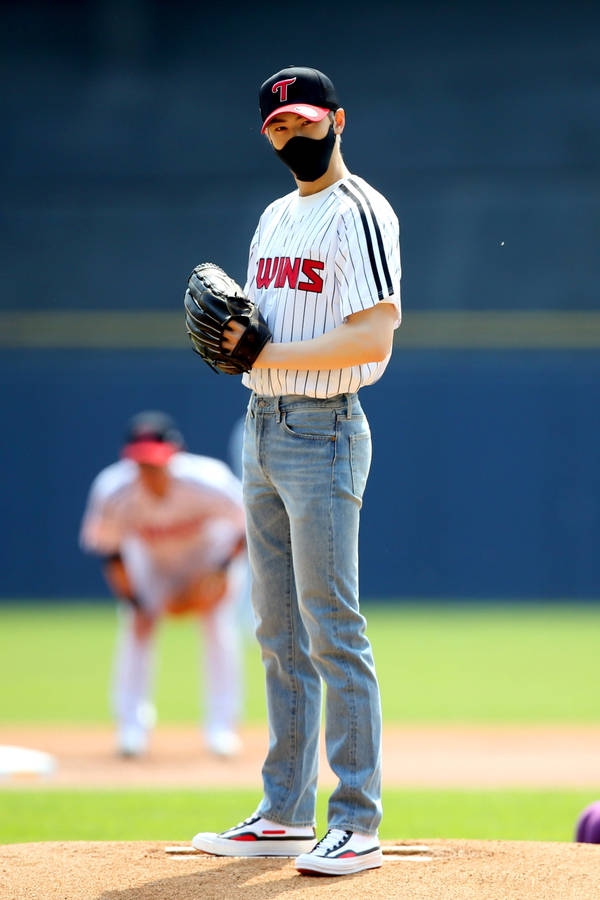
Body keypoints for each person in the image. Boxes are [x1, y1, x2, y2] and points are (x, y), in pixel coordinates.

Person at [192, 66, 401, 876]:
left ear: (339, 120)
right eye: (281, 127)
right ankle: (283, 810)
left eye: (308, 122)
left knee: (331, 629)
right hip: (262, 426)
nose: (296, 136)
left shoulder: (361, 211)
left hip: (324, 428)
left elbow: (374, 339)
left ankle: (356, 819)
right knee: (277, 632)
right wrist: (241, 343)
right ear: (267, 135)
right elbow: (256, 328)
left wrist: (267, 350)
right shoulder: (276, 215)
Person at [80, 410, 247, 759]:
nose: (148, 471)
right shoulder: (114, 489)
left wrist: (219, 573)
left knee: (218, 626)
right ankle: (131, 728)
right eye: (141, 463)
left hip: (206, 556)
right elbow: (111, 553)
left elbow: (248, 527)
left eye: (155, 463)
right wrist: (136, 602)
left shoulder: (209, 481)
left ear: (176, 456)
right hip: (150, 562)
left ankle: (221, 727)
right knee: (136, 627)